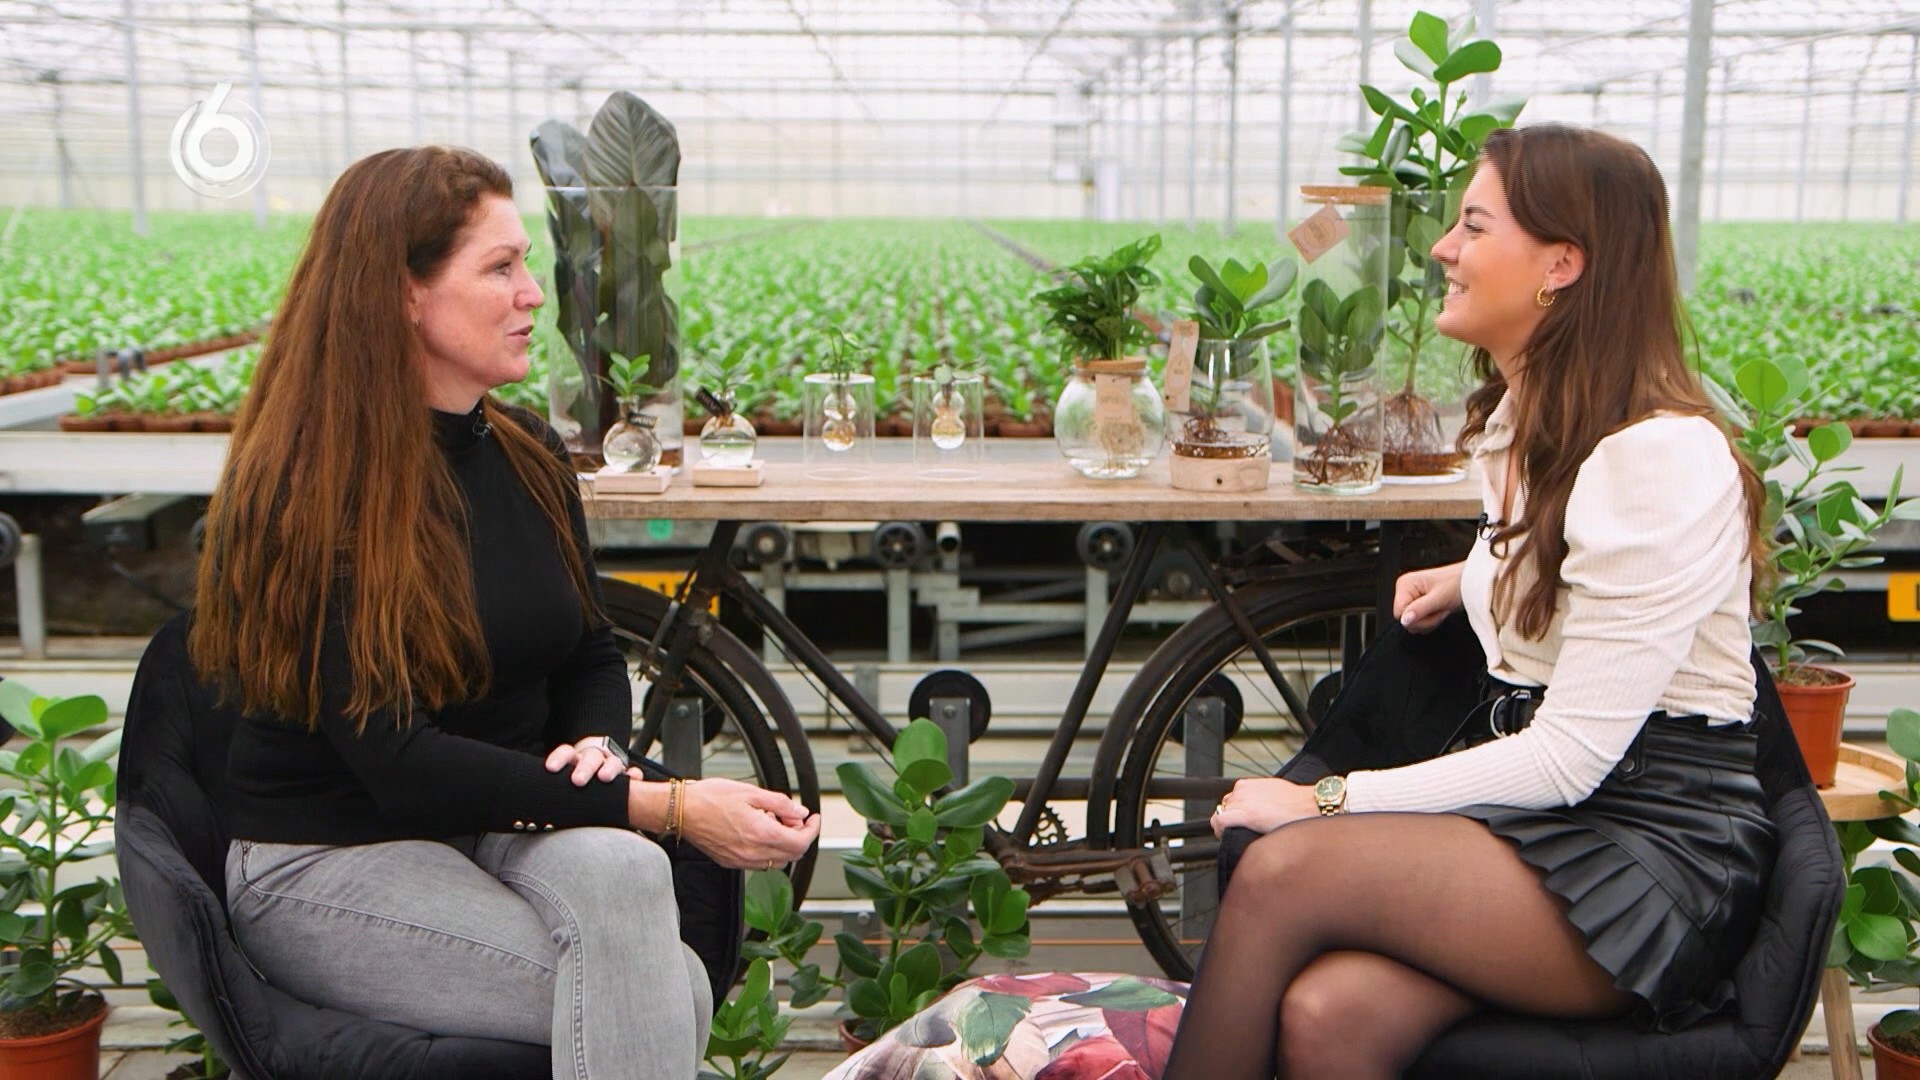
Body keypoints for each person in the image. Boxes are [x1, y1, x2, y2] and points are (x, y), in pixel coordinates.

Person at [189, 146, 820, 1080]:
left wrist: (598, 745)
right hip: (329, 854)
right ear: (404, 292)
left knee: (633, 871)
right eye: (500, 268)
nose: (534, 295)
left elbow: (590, 649)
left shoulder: (525, 450)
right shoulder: (312, 487)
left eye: (527, 263)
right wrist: (668, 803)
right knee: (671, 990)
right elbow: (399, 762)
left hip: (498, 823)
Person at [1162, 123, 1777, 1079]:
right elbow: (1573, 565)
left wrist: (1325, 799)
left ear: (1561, 264)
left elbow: (1568, 757)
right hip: (1553, 826)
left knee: (1282, 868)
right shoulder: (1535, 421)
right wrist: (1472, 578)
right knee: (1330, 1017)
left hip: (1651, 853)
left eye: (1475, 226)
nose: (1444, 249)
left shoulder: (1659, 458)